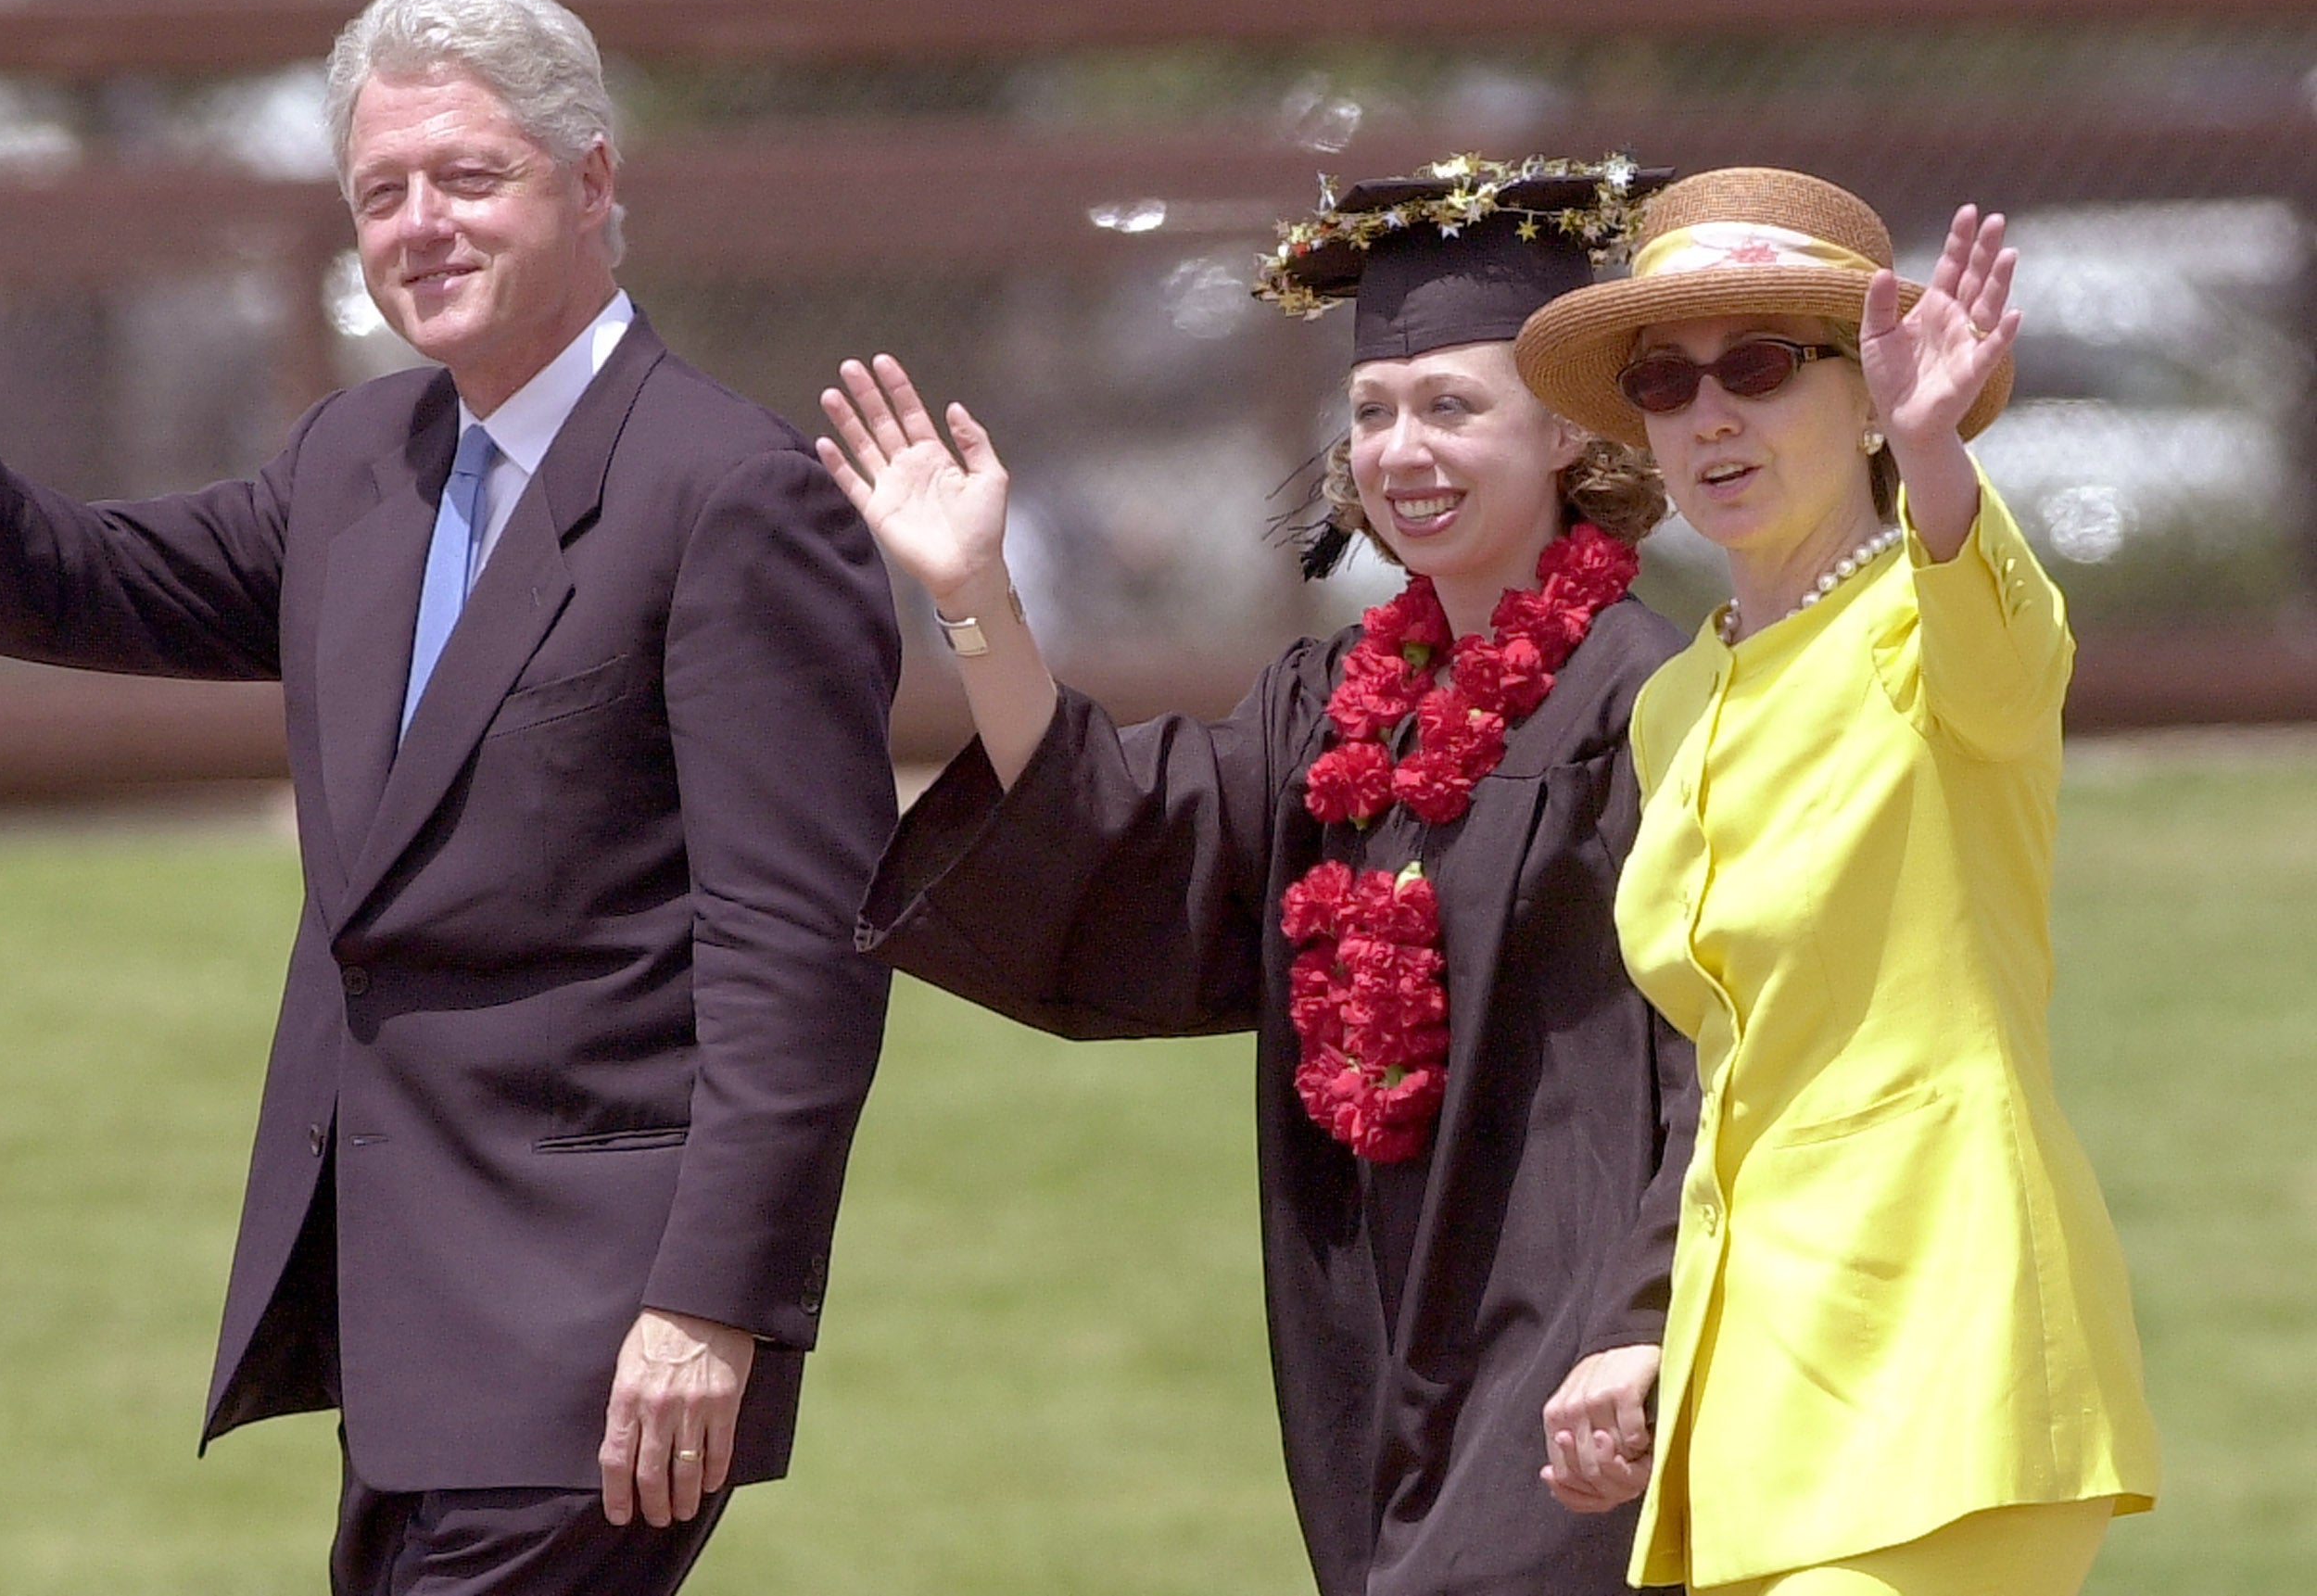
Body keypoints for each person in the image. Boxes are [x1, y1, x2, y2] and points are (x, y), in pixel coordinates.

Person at [0, 0, 902, 1596]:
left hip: (605, 1335)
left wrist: (714, 1303)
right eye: (380, 192)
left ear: (593, 182)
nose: (419, 223)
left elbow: (803, 952)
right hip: (402, 1336)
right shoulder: (363, 460)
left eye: (468, 178)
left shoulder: (732, 495)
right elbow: (59, 583)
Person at [822, 159, 1701, 1596]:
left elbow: (1727, 1044)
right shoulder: (1334, 705)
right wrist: (977, 597)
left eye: (1452, 407)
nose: (1402, 448)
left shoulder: (1648, 702)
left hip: (1576, 1316)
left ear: (1565, 430)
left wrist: (1647, 1309)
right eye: (1372, 412)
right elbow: (1127, 831)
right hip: (1377, 1325)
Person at [1512, 166, 2161, 1596]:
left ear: (1865, 393)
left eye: (1759, 366)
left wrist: (1939, 455)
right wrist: (1641, 1326)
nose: (1710, 414)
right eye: (1667, 385)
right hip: (1754, 1376)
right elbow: (1730, 1069)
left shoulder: (1934, 616)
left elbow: (1994, 637)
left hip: (1951, 1344)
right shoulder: (1677, 699)